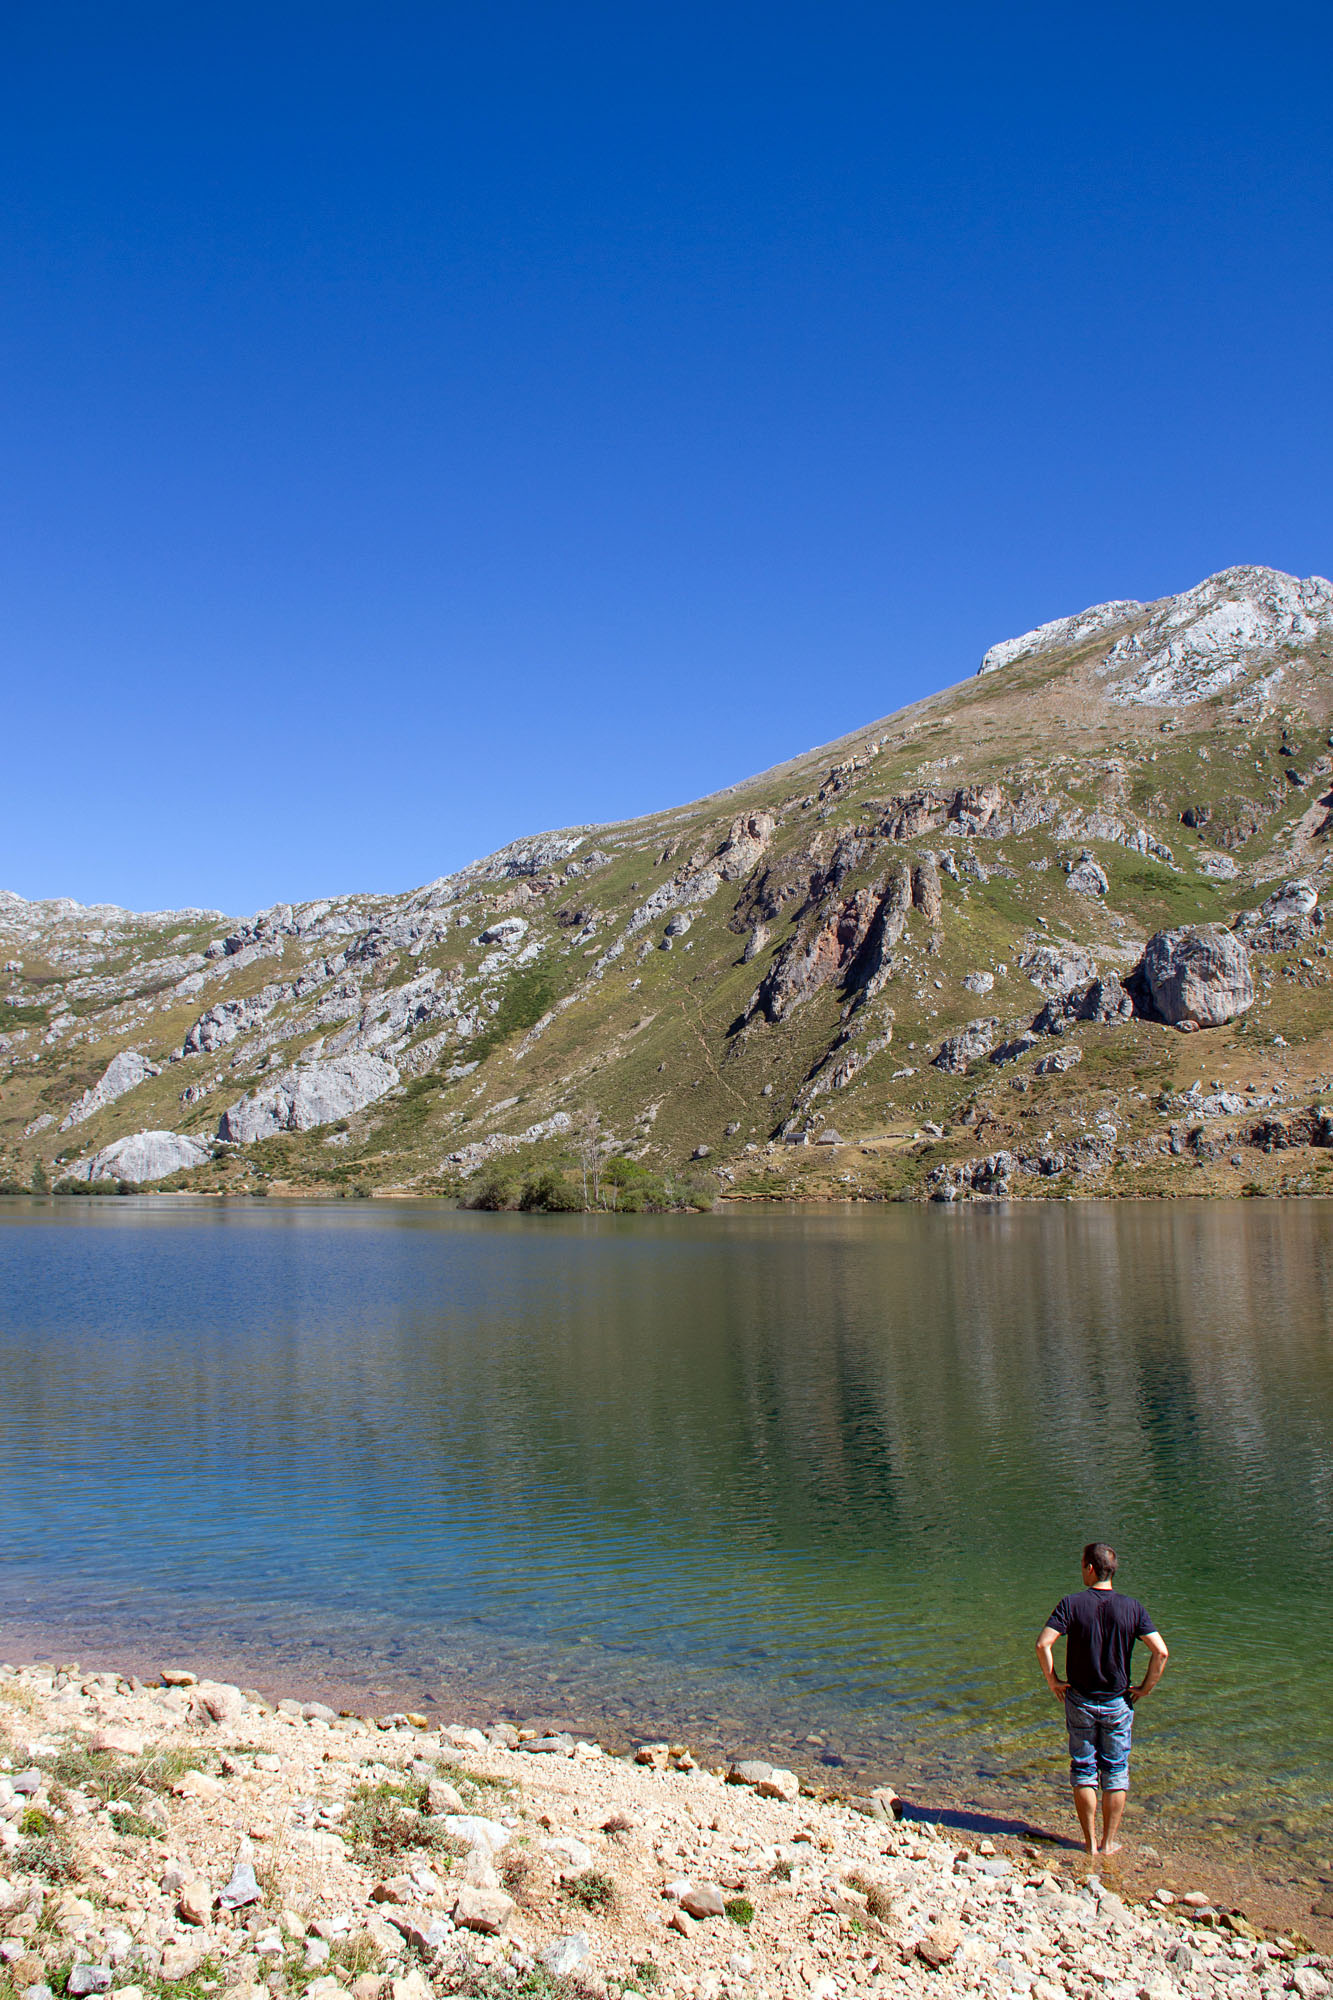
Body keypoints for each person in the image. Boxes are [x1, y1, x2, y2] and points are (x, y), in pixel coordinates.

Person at [1036, 1542, 1169, 1856]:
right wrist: (1145, 1688)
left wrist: (1053, 1680)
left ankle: (1090, 1843)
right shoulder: (1133, 1608)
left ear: (1090, 1568)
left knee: (1084, 1770)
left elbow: (1043, 1645)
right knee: (1116, 1771)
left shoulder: (1071, 1604)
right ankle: (1109, 1843)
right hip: (1118, 1702)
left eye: (1082, 1564)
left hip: (1080, 1699)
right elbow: (1161, 1652)